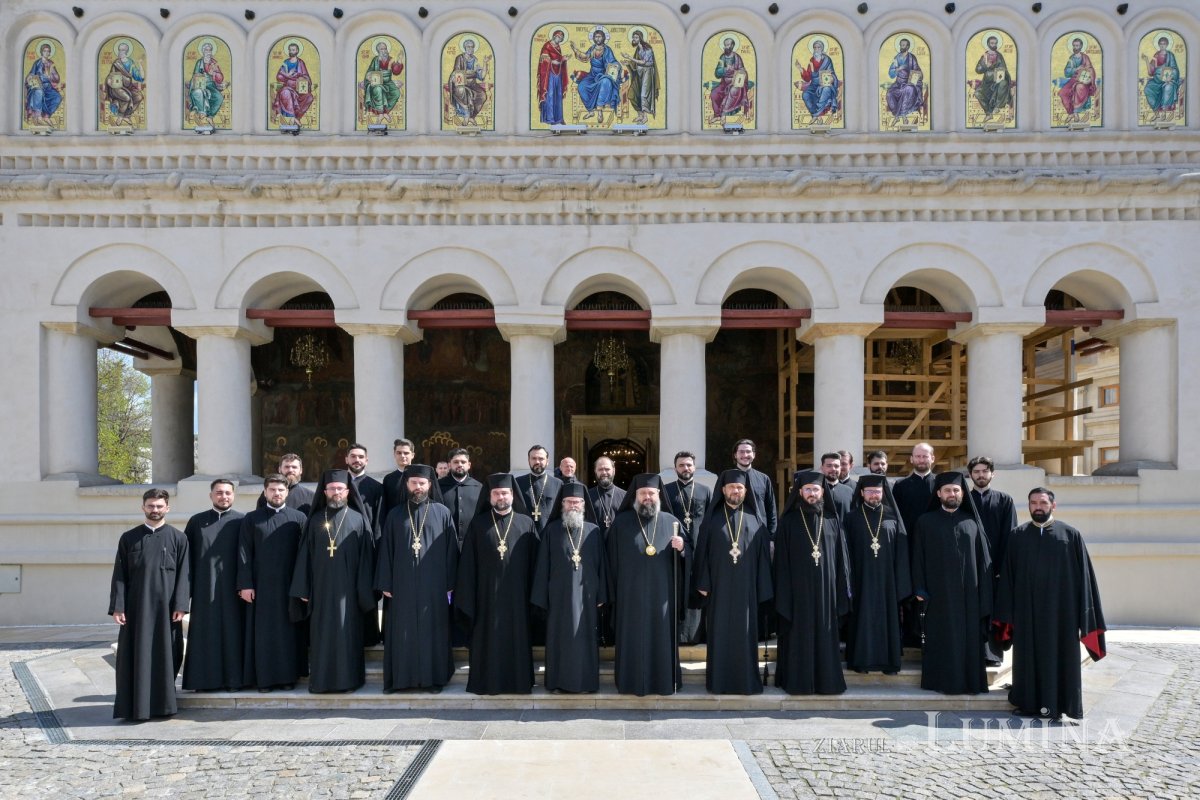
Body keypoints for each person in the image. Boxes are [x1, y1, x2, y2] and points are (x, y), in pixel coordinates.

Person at [993, 488, 1106, 720]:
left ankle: (1062, 706)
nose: (1038, 507)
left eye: (1043, 502)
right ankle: (1028, 704)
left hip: (1062, 614)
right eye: (1033, 502)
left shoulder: (1070, 535)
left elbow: (1084, 579)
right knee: (1027, 657)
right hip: (1027, 612)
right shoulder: (1017, 536)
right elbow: (1008, 578)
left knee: (1061, 658)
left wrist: (1083, 614)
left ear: (1053, 506)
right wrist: (1007, 614)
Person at [289, 471, 377, 693]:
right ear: (325, 491)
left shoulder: (358, 520)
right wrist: (303, 586)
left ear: (348, 492)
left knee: (347, 636)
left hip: (350, 592)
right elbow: (304, 556)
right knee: (321, 636)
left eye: (340, 489)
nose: (336, 492)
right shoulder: (316, 519)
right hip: (320, 591)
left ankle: (349, 681)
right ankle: (321, 682)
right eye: (332, 489)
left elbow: (367, 559)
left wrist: (364, 590)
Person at [375, 465, 458, 692]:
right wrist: (385, 582)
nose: (418, 487)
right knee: (402, 633)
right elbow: (386, 551)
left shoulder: (442, 512)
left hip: (434, 586)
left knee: (433, 632)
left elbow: (452, 550)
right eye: (414, 483)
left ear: (430, 485)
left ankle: (433, 680)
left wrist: (450, 583)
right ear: (407, 485)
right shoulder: (395, 515)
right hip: (401, 585)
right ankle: (401, 680)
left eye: (422, 483)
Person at [109, 488, 189, 721]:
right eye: (151, 506)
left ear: (167, 508)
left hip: (167, 611)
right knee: (133, 657)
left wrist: (181, 605)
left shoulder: (178, 538)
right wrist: (118, 606)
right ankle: (134, 707)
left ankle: (163, 706)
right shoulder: (128, 538)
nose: (155, 510)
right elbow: (120, 575)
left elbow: (185, 574)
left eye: (159, 506)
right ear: (143, 507)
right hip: (136, 610)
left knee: (168, 654)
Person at [455, 474, 539, 695]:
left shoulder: (526, 523)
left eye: (505, 492)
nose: (501, 497)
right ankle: (487, 682)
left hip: (518, 597)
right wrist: (468, 595)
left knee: (517, 639)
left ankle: (519, 683)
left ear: (512, 495)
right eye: (496, 493)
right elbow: (467, 565)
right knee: (487, 640)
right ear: (489, 496)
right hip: (486, 597)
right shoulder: (478, 524)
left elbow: (535, 565)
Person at [692, 470, 773, 694]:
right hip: (718, 587)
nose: (735, 491)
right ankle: (718, 682)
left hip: (747, 589)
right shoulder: (712, 519)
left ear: (745, 491)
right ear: (723, 490)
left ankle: (746, 682)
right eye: (731, 488)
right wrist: (703, 583)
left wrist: (761, 586)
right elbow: (702, 554)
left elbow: (763, 557)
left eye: (739, 488)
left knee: (745, 635)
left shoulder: (756, 519)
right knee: (719, 634)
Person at [606, 474, 688, 695]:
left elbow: (688, 561)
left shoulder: (672, 522)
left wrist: (683, 549)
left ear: (658, 495)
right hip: (629, 596)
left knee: (661, 639)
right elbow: (610, 562)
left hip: (662, 596)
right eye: (643, 493)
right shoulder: (621, 523)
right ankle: (630, 682)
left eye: (651, 493)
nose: (647, 497)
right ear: (635, 496)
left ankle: (663, 682)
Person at [911, 472, 992, 695]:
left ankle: (970, 682)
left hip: (969, 596)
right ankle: (941, 682)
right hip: (937, 595)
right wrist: (919, 588)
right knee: (941, 637)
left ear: (962, 493)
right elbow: (917, 557)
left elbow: (983, 560)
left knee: (968, 638)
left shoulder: (971, 522)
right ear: (938, 494)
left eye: (956, 490)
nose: (952, 494)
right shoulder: (925, 522)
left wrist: (984, 592)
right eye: (947, 490)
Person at [773, 471, 850, 695]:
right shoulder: (788, 521)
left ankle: (827, 682)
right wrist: (784, 591)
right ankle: (797, 682)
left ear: (822, 492)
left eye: (816, 490)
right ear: (800, 492)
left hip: (826, 592)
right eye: (807, 490)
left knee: (825, 634)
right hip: (797, 592)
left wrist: (841, 590)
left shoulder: (832, 520)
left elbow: (841, 559)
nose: (812, 494)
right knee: (798, 633)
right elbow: (781, 562)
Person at [532, 483, 609, 693]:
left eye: (577, 502)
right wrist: (542, 596)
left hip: (588, 595)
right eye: (569, 502)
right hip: (558, 596)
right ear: (562, 505)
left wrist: (602, 594)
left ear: (584, 504)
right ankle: (557, 682)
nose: (573, 505)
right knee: (559, 638)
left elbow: (603, 565)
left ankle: (586, 683)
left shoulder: (593, 531)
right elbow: (542, 566)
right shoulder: (551, 530)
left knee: (585, 639)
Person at [238, 474, 307, 692]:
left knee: (288, 633)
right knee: (264, 634)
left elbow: (305, 555)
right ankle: (264, 680)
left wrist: (304, 586)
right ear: (265, 492)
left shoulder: (299, 518)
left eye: (280, 490)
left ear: (287, 492)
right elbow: (244, 553)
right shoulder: (251, 519)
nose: (276, 494)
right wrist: (245, 584)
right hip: (261, 587)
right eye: (272, 490)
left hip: (290, 586)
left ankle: (288, 678)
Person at [181, 479, 245, 692]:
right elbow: (185, 560)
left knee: (233, 633)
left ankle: (234, 681)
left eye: (228, 493)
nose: (223, 496)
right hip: (203, 588)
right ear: (211, 496)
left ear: (233, 496)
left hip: (233, 589)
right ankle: (203, 681)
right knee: (204, 634)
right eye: (219, 493)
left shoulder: (242, 521)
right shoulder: (196, 521)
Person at [844, 475, 911, 675]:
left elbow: (902, 551)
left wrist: (901, 582)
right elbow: (845, 551)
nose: (874, 495)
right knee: (861, 617)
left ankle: (888, 663)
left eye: (878, 491)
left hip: (887, 581)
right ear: (862, 493)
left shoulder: (893, 517)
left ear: (883, 493)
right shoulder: (851, 518)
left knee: (887, 619)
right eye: (870, 491)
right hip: (861, 579)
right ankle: (861, 662)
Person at [967, 456, 1018, 666]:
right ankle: (971, 653)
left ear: (992, 474)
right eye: (976, 471)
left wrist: (1003, 568)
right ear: (970, 475)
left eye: (984, 471)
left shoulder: (1004, 500)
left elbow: (1010, 535)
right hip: (970, 568)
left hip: (995, 569)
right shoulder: (963, 500)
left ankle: (992, 655)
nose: (981, 475)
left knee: (993, 611)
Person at [664, 451, 712, 645]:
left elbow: (709, 521)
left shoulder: (704, 491)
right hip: (674, 551)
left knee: (697, 588)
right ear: (675, 468)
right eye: (682, 465)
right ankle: (676, 635)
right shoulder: (666, 490)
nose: (686, 468)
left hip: (699, 550)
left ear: (694, 467)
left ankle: (695, 635)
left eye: (689, 465)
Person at [570, 28, 621, 125]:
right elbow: (585, 57)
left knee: (605, 82)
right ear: (593, 38)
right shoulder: (592, 48)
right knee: (582, 86)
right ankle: (590, 111)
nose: (598, 39)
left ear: (603, 38)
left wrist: (616, 66)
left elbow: (613, 62)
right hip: (592, 75)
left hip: (604, 75)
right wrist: (575, 49)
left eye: (599, 37)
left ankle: (600, 111)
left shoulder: (607, 50)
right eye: (596, 37)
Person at [438, 447, 483, 547]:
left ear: (469, 465)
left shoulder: (479, 487)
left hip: (471, 542)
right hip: (444, 541)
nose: (460, 465)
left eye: (463, 462)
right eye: (456, 462)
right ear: (449, 465)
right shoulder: (438, 487)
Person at [734, 439, 777, 539]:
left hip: (759, 534)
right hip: (735, 533)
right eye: (741, 451)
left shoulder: (764, 479)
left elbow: (771, 510)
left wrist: (772, 538)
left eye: (748, 451)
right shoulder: (727, 478)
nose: (745, 455)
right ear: (735, 455)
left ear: (754, 455)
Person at [516, 445, 562, 534]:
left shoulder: (558, 484)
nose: (537, 461)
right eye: (533, 458)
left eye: (541, 458)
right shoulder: (518, 482)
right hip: (523, 533)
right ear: (528, 460)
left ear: (547, 461)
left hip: (549, 535)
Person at [446, 38, 489, 125]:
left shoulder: (475, 60)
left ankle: (472, 117)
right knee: (462, 91)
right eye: (468, 47)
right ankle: (466, 116)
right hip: (461, 84)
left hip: (473, 85)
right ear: (465, 48)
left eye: (472, 47)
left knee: (483, 95)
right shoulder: (460, 58)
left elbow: (481, 76)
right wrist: (473, 72)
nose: (470, 49)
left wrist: (485, 63)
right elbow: (457, 72)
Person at [271, 40, 314, 126]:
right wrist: (288, 75)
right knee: (286, 93)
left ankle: (297, 119)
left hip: (299, 89)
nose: (291, 51)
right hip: (288, 87)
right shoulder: (286, 63)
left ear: (297, 51)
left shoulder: (300, 63)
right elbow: (279, 77)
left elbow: (306, 76)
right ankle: (291, 118)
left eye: (293, 50)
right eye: (290, 50)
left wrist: (301, 77)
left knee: (309, 97)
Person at [709, 37, 750, 124]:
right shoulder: (722, 58)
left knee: (733, 90)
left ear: (732, 46)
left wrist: (735, 72)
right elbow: (717, 73)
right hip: (724, 84)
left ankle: (724, 114)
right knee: (714, 93)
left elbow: (743, 71)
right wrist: (724, 70)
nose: (726, 47)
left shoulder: (737, 58)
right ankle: (717, 115)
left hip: (736, 84)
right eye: (725, 45)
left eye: (728, 45)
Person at [362, 39, 403, 122]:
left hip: (388, 82)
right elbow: (369, 71)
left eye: (385, 48)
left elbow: (396, 72)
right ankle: (381, 113)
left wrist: (399, 62)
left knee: (396, 93)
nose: (384, 51)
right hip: (377, 82)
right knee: (378, 89)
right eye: (382, 49)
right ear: (378, 51)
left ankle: (386, 112)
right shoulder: (375, 60)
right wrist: (369, 76)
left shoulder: (391, 59)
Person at [973, 35, 1012, 123]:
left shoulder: (999, 56)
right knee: (977, 93)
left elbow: (1004, 69)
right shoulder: (984, 56)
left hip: (998, 82)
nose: (994, 45)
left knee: (1003, 84)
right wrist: (985, 66)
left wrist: (1000, 72)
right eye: (992, 43)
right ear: (988, 44)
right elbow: (978, 70)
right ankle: (988, 113)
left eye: (995, 43)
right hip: (986, 83)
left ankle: (997, 107)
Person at [1057, 37, 1097, 123]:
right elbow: (1066, 72)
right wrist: (1075, 69)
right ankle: (1070, 113)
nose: (1075, 47)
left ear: (1081, 46)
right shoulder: (1071, 58)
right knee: (1062, 93)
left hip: (1084, 80)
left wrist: (1086, 72)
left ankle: (1076, 112)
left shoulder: (1085, 57)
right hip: (1074, 79)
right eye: (1074, 45)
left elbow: (1090, 68)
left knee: (1079, 87)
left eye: (1077, 45)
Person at [346, 443, 383, 532]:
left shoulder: (377, 487)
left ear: (366, 461)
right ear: (346, 460)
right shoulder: (337, 485)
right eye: (353, 456)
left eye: (361, 457)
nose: (357, 460)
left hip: (365, 536)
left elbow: (379, 519)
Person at [187, 39, 225, 126]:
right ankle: (202, 114)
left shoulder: (214, 63)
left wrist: (214, 73)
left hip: (211, 86)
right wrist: (200, 76)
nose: (208, 52)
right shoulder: (199, 63)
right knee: (198, 92)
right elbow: (195, 75)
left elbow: (220, 78)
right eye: (206, 50)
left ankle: (210, 116)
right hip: (199, 85)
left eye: (210, 50)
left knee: (219, 97)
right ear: (203, 51)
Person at [885, 37, 924, 124]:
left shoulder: (911, 58)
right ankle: (897, 115)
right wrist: (898, 69)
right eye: (901, 45)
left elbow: (916, 70)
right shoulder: (896, 58)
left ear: (908, 47)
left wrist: (910, 83)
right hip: (898, 83)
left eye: (903, 45)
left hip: (909, 83)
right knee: (889, 93)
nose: (902, 47)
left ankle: (902, 115)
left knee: (908, 90)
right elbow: (891, 73)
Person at [104, 40, 144, 122]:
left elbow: (139, 77)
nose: (120, 52)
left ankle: (126, 115)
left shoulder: (130, 63)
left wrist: (140, 65)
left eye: (122, 50)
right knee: (126, 97)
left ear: (126, 51)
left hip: (127, 87)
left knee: (139, 97)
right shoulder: (116, 63)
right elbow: (111, 75)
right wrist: (108, 81)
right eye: (119, 50)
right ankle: (120, 115)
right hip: (116, 88)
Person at [25, 41, 63, 128]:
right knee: (39, 92)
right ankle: (38, 117)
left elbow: (57, 79)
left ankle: (46, 116)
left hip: (48, 87)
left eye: (48, 51)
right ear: (42, 52)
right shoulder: (37, 63)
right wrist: (30, 78)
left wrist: (51, 75)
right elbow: (31, 74)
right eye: (45, 51)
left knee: (57, 97)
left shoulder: (51, 64)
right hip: (37, 86)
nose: (47, 52)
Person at [799, 38, 839, 119]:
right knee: (805, 94)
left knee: (827, 89)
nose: (816, 49)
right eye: (815, 47)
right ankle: (814, 113)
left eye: (818, 47)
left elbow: (832, 73)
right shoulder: (811, 61)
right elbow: (807, 78)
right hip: (813, 86)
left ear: (822, 48)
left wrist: (832, 78)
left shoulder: (827, 60)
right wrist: (800, 69)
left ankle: (817, 114)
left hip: (824, 85)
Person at [1144, 35, 1181, 122]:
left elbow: (1175, 69)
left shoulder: (1170, 55)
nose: (1162, 45)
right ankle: (1156, 114)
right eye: (1160, 44)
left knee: (1167, 87)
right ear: (1158, 45)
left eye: (1164, 44)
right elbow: (1151, 72)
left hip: (1168, 80)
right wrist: (1146, 61)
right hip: (1157, 80)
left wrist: (1170, 77)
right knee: (1148, 89)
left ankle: (1164, 115)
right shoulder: (1156, 55)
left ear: (1167, 45)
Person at [626, 29, 659, 125]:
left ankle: (645, 117)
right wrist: (628, 63)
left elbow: (643, 62)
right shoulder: (638, 49)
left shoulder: (647, 49)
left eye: (636, 37)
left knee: (644, 94)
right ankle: (640, 115)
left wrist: (630, 58)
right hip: (639, 73)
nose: (634, 39)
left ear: (640, 38)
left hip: (647, 72)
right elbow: (635, 63)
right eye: (633, 37)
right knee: (632, 93)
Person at [537, 29, 569, 125]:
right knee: (550, 94)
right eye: (559, 37)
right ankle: (550, 118)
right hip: (549, 74)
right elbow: (543, 58)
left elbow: (558, 59)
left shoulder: (558, 47)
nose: (560, 40)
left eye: (561, 39)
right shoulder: (547, 46)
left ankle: (559, 118)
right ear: (555, 36)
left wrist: (563, 59)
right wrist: (551, 61)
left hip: (558, 73)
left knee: (558, 95)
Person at [380, 438, 415, 523]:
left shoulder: (420, 478)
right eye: (399, 453)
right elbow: (385, 505)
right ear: (394, 455)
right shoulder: (388, 479)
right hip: (395, 523)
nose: (402, 456)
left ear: (412, 455)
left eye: (406, 453)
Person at [588, 456, 625, 537]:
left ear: (614, 471)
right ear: (595, 471)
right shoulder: (587, 496)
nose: (604, 472)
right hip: (594, 543)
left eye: (607, 469)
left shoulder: (625, 496)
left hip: (618, 544)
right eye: (600, 469)